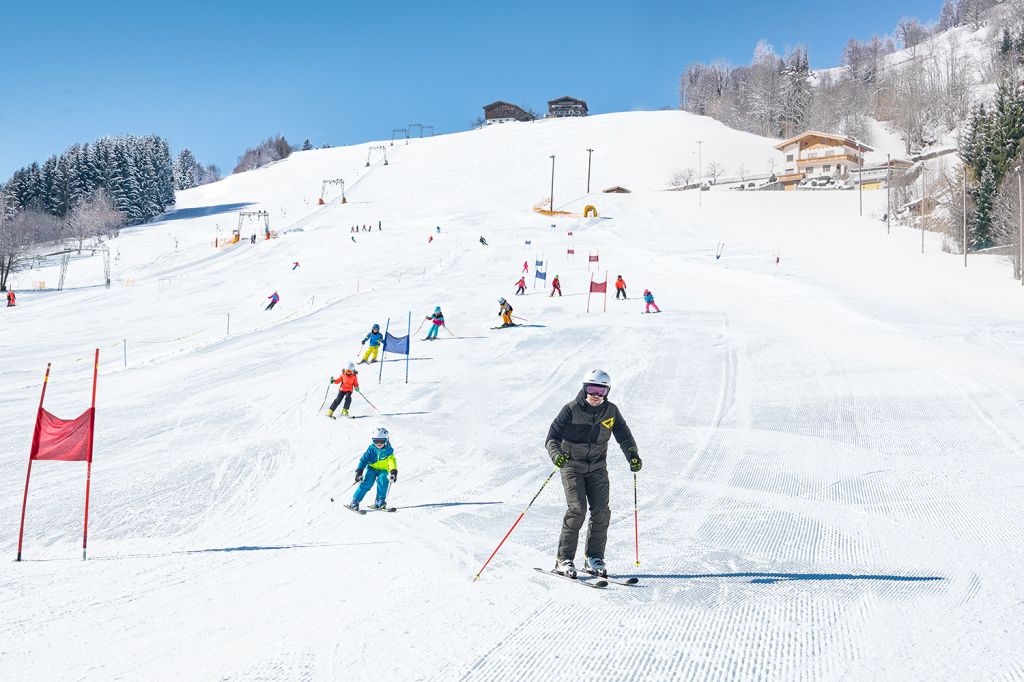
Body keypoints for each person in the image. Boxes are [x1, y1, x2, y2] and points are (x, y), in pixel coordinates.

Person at [545, 369, 641, 578]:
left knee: (601, 511)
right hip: (572, 466)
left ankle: (593, 558)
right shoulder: (570, 410)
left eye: (601, 390)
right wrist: (557, 455)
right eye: (592, 389)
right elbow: (552, 437)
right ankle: (564, 559)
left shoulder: (611, 411)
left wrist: (632, 455)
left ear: (607, 392)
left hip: (597, 467)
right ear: (584, 388)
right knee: (577, 509)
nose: (596, 395)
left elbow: (624, 436)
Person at [346, 427, 398, 511]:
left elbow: (392, 461)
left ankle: (379, 501)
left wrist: (393, 472)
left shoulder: (388, 451)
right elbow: (364, 459)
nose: (378, 443)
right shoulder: (371, 449)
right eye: (375, 441)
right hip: (372, 468)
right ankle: (355, 502)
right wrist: (359, 471)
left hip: (383, 470)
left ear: (386, 440)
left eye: (381, 441)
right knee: (367, 483)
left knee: (383, 482)